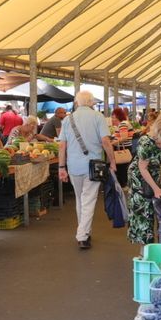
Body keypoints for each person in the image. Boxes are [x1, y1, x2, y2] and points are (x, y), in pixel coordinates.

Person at [56, 91, 116, 250]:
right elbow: (105, 141)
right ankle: (82, 235)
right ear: (91, 102)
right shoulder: (98, 117)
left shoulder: (68, 119)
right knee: (88, 200)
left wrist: (61, 167)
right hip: (93, 166)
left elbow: (62, 145)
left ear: (77, 102)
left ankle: (86, 231)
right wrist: (112, 161)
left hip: (73, 165)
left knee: (80, 199)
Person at [126, 114, 161, 244]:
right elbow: (142, 168)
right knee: (144, 215)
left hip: (153, 177)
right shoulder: (146, 141)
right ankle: (143, 252)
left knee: (155, 211)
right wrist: (156, 188)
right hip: (139, 180)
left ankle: (151, 248)